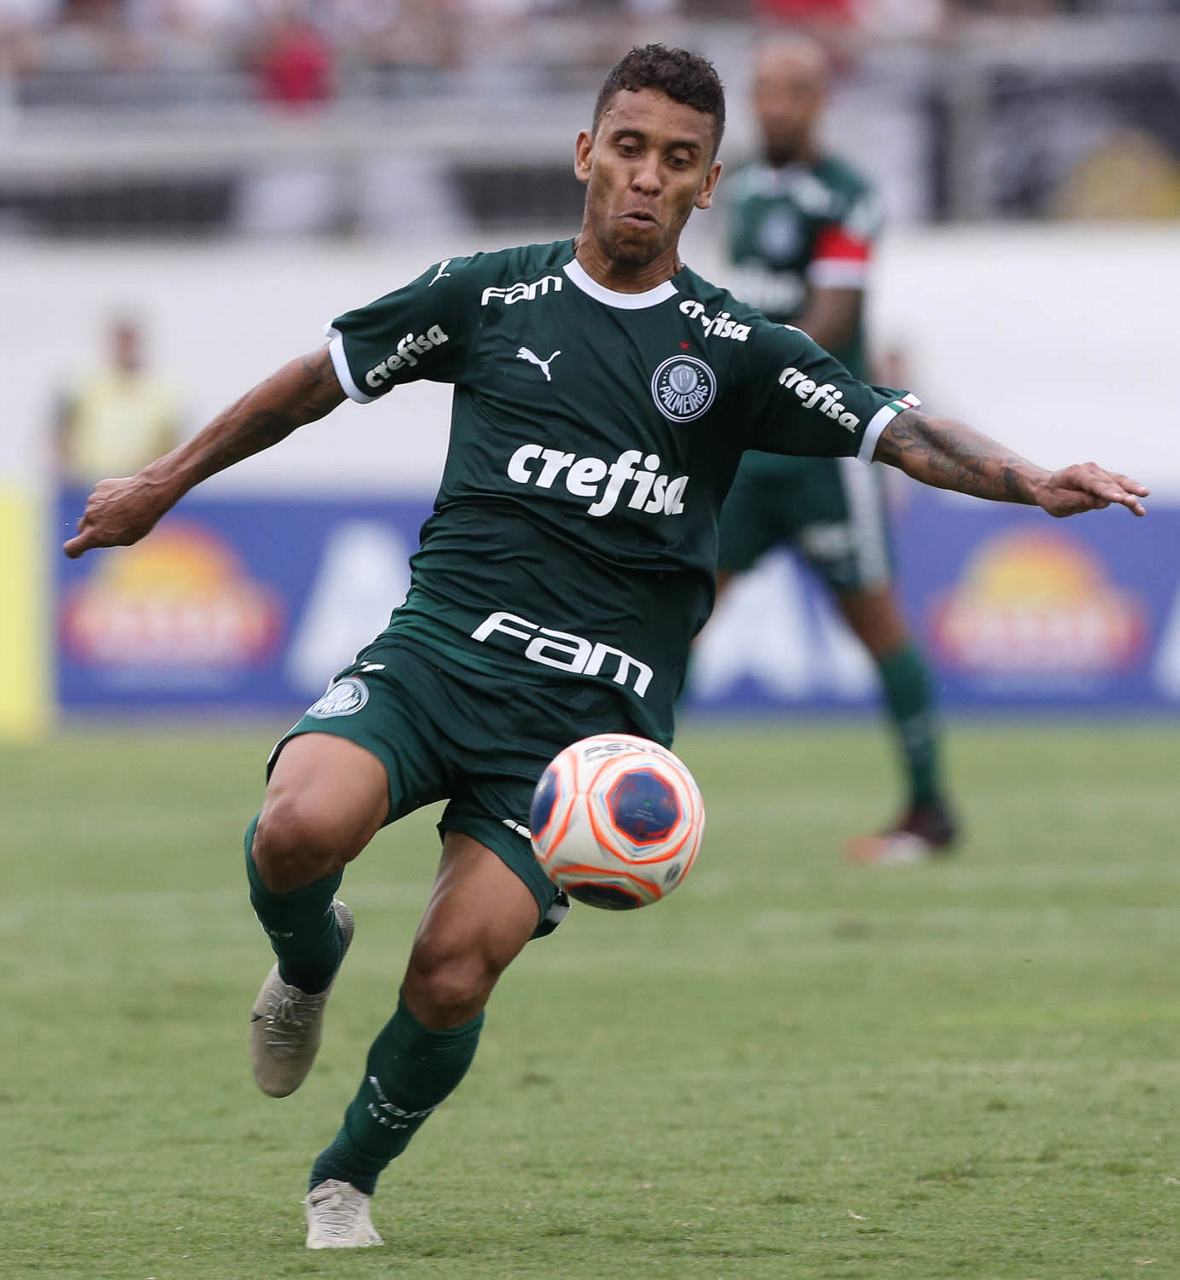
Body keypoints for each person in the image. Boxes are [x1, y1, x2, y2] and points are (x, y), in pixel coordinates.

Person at [63, 44, 1147, 1251]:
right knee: (294, 827)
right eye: (628, 148)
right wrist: (160, 483)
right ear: (586, 152)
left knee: (453, 968)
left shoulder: (731, 348)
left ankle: (344, 1178)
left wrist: (1030, 477)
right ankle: (307, 964)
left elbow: (898, 429)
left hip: (581, 727)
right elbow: (314, 380)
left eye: (677, 160)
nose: (646, 176)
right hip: (438, 659)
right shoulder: (485, 295)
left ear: (707, 184)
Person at [716, 35, 954, 862]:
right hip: (745, 453)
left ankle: (930, 810)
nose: (775, 105)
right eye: (764, 89)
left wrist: (756, 368)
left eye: (793, 90)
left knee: (877, 622)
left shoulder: (849, 195)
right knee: (679, 615)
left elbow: (831, 316)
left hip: (828, 444)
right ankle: (625, 794)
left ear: (820, 101)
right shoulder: (737, 185)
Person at [56, 315, 183, 488]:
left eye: (130, 343)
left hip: (141, 485)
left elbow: (173, 442)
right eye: (121, 343)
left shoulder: (162, 394)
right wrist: (67, 473)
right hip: (88, 484)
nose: (125, 350)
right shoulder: (84, 387)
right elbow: (61, 432)